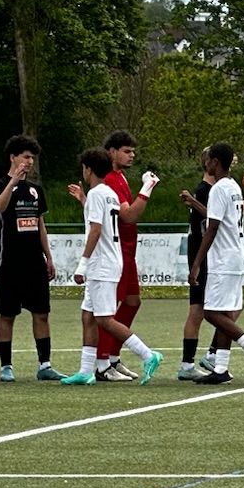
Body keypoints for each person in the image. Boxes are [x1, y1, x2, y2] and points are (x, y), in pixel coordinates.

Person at [63, 147, 162, 386]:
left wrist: (82, 265)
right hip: (110, 260)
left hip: (102, 264)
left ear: (88, 169)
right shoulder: (108, 193)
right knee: (88, 315)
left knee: (105, 319)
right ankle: (86, 370)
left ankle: (148, 355)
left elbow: (96, 230)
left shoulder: (98, 193)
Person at [190, 142, 244, 385]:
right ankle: (221, 368)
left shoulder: (218, 189)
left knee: (211, 313)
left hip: (223, 259)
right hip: (235, 255)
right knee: (225, 312)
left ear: (215, 162)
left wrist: (196, 264)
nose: (206, 163)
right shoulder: (233, 186)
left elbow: (211, 228)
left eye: (209, 159)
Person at [86, 131, 157, 382]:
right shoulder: (110, 180)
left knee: (132, 302)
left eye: (133, 151)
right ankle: (103, 363)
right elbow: (128, 216)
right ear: (112, 152)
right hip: (117, 254)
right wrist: (147, 189)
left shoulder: (120, 178)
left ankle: (113, 358)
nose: (131, 155)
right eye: (127, 151)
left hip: (127, 252)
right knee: (107, 312)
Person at [0, 134, 60, 382]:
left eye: (32, 157)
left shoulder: (36, 190)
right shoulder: (0, 185)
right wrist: (13, 182)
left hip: (34, 262)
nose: (29, 161)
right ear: (13, 157)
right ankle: (6, 366)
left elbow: (40, 224)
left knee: (41, 313)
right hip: (9, 262)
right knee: (7, 314)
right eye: (25, 156)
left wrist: (48, 257)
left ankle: (45, 364)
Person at [176, 149, 223, 381]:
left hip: (203, 255)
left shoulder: (209, 190)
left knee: (202, 309)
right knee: (199, 310)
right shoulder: (205, 191)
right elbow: (212, 219)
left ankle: (196, 360)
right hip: (201, 256)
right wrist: (195, 202)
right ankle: (197, 360)